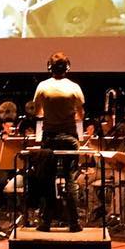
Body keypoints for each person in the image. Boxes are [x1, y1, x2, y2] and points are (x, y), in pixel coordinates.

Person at [30, 51, 85, 232]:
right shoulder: (74, 87)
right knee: (70, 179)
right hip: (69, 137)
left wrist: (50, 113)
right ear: (67, 67)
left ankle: (45, 222)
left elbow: (37, 112)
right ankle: (74, 223)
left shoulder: (43, 86)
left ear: (49, 67)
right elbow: (80, 115)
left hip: (50, 138)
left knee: (47, 180)